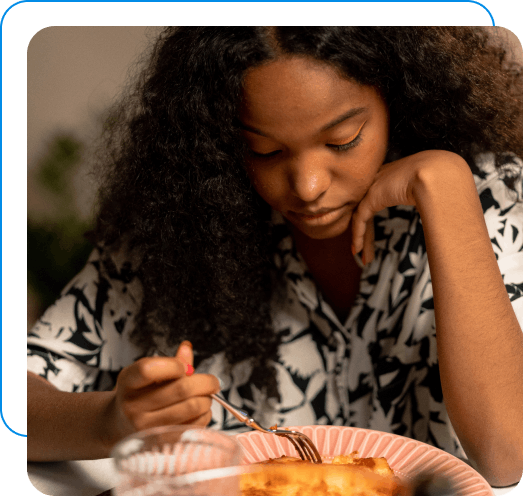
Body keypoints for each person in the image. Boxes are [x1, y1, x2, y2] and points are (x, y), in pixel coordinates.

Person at [27, 27, 523, 486]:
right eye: (265, 151)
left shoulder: (491, 197)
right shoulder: (178, 230)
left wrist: (446, 187)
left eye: (343, 140)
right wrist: (107, 420)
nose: (308, 187)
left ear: (399, 97)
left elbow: (509, 452)